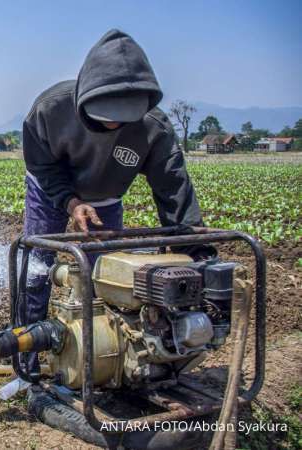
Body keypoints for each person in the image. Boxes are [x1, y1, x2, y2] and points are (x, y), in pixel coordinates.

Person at [21, 29, 213, 377]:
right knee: (34, 272)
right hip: (51, 192)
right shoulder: (49, 109)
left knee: (106, 279)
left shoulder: (154, 129)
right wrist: (70, 202)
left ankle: (99, 363)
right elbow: (42, 165)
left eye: (122, 117)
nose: (112, 123)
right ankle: (27, 363)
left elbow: (173, 189)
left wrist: (196, 249)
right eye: (106, 114)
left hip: (105, 199)